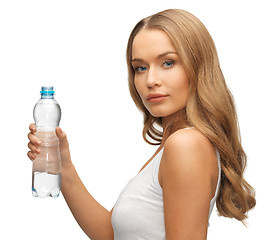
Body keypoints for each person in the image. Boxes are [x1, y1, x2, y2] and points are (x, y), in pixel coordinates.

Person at [27, 9, 256, 240]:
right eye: (140, 67)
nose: (151, 80)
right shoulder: (173, 144)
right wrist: (63, 166)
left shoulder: (185, 144)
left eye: (168, 63)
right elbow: (112, 235)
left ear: (198, 66)